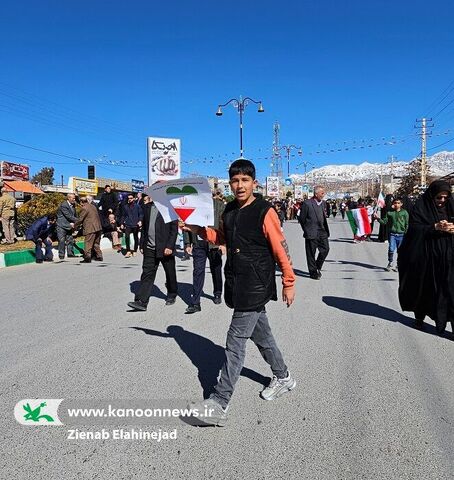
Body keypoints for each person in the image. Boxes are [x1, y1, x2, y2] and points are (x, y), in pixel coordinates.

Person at [184, 159, 296, 427]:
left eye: (245, 180)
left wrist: (288, 281)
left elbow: (280, 247)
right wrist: (199, 230)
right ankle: (283, 377)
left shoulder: (264, 211)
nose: (239, 185)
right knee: (263, 336)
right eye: (235, 181)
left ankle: (220, 402)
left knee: (235, 341)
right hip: (238, 280)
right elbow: (222, 238)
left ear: (254, 183)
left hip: (256, 284)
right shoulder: (230, 211)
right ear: (230, 183)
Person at [398, 180, 454, 334]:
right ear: (431, 196)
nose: (442, 201)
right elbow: (414, 230)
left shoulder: (451, 207)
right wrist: (434, 227)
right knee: (425, 290)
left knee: (450, 292)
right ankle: (419, 318)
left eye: (445, 198)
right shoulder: (421, 208)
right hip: (428, 260)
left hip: (449, 259)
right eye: (439, 198)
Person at [127, 195, 178, 310]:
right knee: (147, 273)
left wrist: (170, 246)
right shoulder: (147, 207)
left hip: (165, 248)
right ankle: (142, 301)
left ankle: (172, 293)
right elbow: (144, 228)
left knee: (170, 273)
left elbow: (174, 229)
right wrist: (142, 244)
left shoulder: (169, 208)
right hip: (149, 247)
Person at [183, 193, 225, 314]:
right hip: (199, 243)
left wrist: (223, 243)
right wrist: (187, 243)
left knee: (216, 269)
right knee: (198, 271)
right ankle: (195, 303)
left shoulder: (219, 205)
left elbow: (223, 224)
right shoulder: (193, 206)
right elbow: (187, 223)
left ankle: (217, 293)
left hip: (214, 243)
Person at [297, 185, 330, 279]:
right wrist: (306, 229)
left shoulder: (323, 203)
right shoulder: (307, 204)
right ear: (316, 194)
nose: (323, 195)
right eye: (322, 193)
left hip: (322, 231)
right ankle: (313, 273)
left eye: (324, 193)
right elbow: (302, 218)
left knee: (325, 249)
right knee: (311, 253)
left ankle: (317, 266)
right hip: (311, 231)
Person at [374, 197, 409, 271]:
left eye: (398, 203)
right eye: (395, 203)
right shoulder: (390, 212)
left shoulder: (404, 212)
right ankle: (390, 262)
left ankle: (398, 264)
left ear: (401, 204)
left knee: (400, 251)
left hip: (401, 235)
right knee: (391, 249)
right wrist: (378, 218)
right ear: (393, 204)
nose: (397, 204)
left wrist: (406, 232)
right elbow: (384, 222)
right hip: (392, 234)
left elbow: (407, 224)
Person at [74, 196, 103, 263]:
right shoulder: (93, 206)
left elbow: (80, 219)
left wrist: (74, 226)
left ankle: (87, 258)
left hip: (90, 228)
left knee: (88, 243)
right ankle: (99, 256)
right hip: (98, 227)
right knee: (96, 243)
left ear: (81, 202)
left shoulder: (84, 208)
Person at [120, 193, 143, 258]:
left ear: (133, 199)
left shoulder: (137, 206)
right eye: (128, 198)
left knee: (135, 238)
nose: (129, 199)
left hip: (135, 224)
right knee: (127, 237)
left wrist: (140, 221)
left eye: (131, 198)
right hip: (128, 224)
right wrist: (122, 223)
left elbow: (141, 214)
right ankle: (128, 251)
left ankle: (135, 250)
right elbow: (123, 215)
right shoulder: (125, 206)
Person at [56, 193, 77, 259]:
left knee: (70, 239)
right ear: (68, 198)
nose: (74, 199)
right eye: (73, 198)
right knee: (61, 240)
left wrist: (74, 222)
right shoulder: (64, 205)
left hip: (69, 225)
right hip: (62, 225)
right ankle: (61, 255)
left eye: (74, 198)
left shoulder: (73, 205)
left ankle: (70, 254)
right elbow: (68, 216)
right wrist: (79, 220)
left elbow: (74, 215)